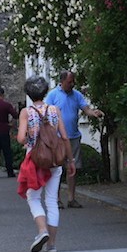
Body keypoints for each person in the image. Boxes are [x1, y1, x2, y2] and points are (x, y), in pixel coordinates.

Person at [16, 75, 74, 252]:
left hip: (35, 161)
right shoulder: (55, 110)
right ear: (45, 91)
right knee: (52, 201)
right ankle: (52, 245)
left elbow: (20, 139)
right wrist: (70, 160)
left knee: (33, 197)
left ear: (28, 93)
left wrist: (28, 139)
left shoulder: (26, 112)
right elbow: (64, 137)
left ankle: (42, 231)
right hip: (55, 160)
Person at [45, 70, 103, 208]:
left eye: (73, 81)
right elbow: (46, 114)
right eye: (70, 82)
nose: (72, 84)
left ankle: (71, 198)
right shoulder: (53, 95)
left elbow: (86, 109)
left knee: (73, 168)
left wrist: (94, 113)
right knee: (57, 169)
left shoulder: (76, 95)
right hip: (58, 139)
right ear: (62, 81)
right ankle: (57, 199)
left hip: (73, 137)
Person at [0, 87, 19, 177]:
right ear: (3, 95)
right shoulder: (6, 105)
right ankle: (10, 172)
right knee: (7, 152)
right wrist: (10, 123)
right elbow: (15, 115)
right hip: (4, 129)